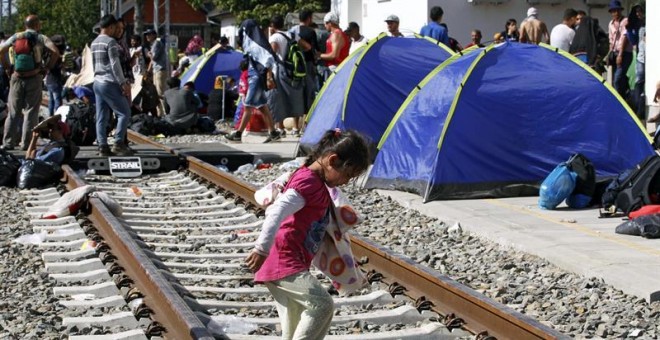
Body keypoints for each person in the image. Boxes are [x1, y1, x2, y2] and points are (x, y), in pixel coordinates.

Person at [245, 128, 370, 340]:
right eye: (348, 175)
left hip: (292, 260)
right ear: (332, 160)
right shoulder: (308, 182)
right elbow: (276, 211)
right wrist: (260, 249)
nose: (346, 182)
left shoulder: (317, 183)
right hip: (283, 259)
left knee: (294, 324)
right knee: (321, 305)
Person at [0, 15, 60, 151]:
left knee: (13, 112)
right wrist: (47, 68)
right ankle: (26, 144)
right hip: (34, 77)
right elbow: (55, 52)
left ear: (25, 25)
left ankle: (8, 142)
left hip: (16, 77)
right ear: (37, 25)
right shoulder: (40, 37)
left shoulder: (16, 36)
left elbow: (1, 51)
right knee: (31, 112)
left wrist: (8, 68)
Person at [225, 19, 281, 143]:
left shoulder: (257, 44)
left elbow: (269, 59)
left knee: (248, 105)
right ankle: (273, 132)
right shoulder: (254, 42)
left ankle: (238, 133)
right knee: (262, 106)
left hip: (257, 77)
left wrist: (269, 77)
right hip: (255, 75)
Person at [91, 14, 132, 156]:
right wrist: (123, 82)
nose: (117, 31)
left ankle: (102, 146)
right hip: (109, 82)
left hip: (97, 82)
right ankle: (118, 143)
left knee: (102, 116)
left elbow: (93, 64)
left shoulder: (94, 42)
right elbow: (115, 64)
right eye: (115, 28)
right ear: (110, 27)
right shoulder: (111, 42)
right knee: (124, 112)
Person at [289, 10, 320, 135]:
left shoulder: (291, 31)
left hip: (294, 67)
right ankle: (306, 127)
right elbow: (315, 51)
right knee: (308, 95)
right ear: (309, 18)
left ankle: (295, 127)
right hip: (307, 66)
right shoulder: (310, 32)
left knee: (297, 95)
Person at [607, 0, 632, 99]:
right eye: (613, 11)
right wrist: (609, 54)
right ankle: (626, 97)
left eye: (617, 11)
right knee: (617, 79)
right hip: (615, 52)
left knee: (617, 79)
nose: (616, 13)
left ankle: (618, 100)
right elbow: (611, 40)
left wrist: (620, 55)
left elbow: (624, 38)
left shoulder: (625, 21)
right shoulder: (611, 24)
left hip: (624, 53)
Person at [145, 28, 168, 117]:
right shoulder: (154, 44)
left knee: (160, 92)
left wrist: (149, 54)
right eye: (147, 35)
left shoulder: (157, 43)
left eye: (149, 34)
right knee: (156, 93)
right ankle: (160, 112)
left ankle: (164, 113)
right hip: (156, 70)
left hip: (160, 70)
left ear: (154, 35)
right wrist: (148, 71)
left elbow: (153, 57)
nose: (147, 36)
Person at [46, 34, 67, 117]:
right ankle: (57, 119)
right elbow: (55, 67)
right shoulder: (56, 55)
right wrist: (62, 64)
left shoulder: (48, 54)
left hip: (49, 81)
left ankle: (50, 117)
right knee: (58, 101)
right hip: (55, 81)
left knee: (51, 101)